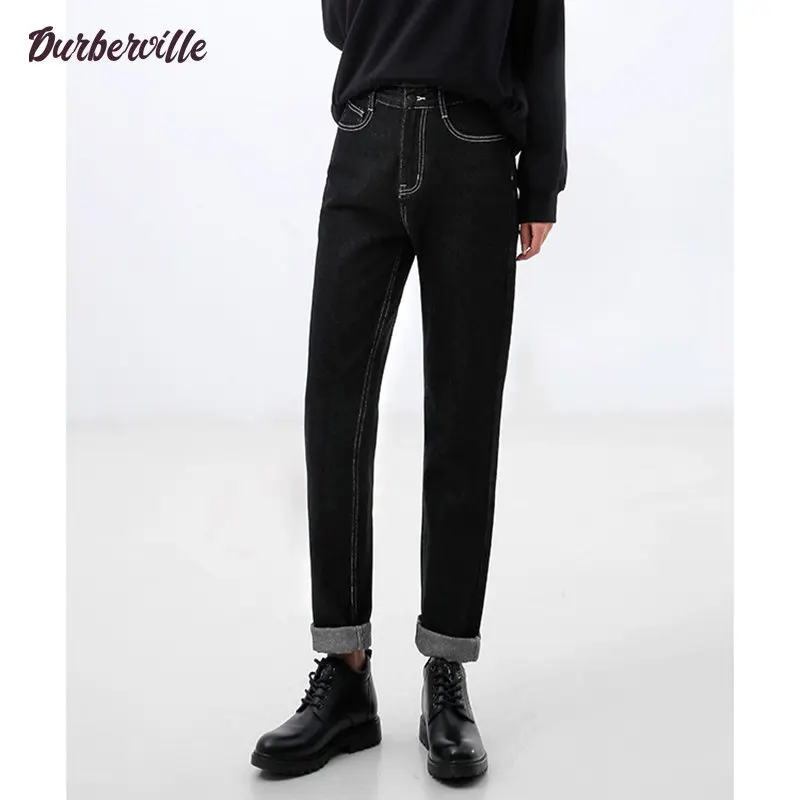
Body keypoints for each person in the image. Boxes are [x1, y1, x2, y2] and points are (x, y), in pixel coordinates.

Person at [251, 0, 566, 781]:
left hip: (475, 149)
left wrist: (542, 183)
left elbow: (541, 34)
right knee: (335, 412)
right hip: (366, 136)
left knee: (463, 417)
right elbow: (342, 22)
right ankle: (344, 674)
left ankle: (445, 673)